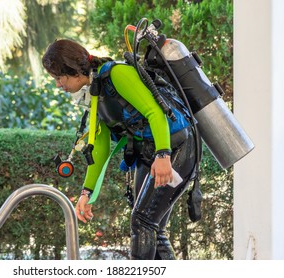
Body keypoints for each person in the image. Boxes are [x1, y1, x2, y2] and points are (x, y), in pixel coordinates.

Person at [42, 39, 201, 260]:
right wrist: (87, 192)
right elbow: (100, 145)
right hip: (150, 152)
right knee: (151, 227)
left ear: (74, 71)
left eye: (59, 78)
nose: (58, 85)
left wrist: (164, 154)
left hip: (177, 146)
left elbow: (155, 112)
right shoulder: (96, 90)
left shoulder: (117, 75)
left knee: (142, 221)